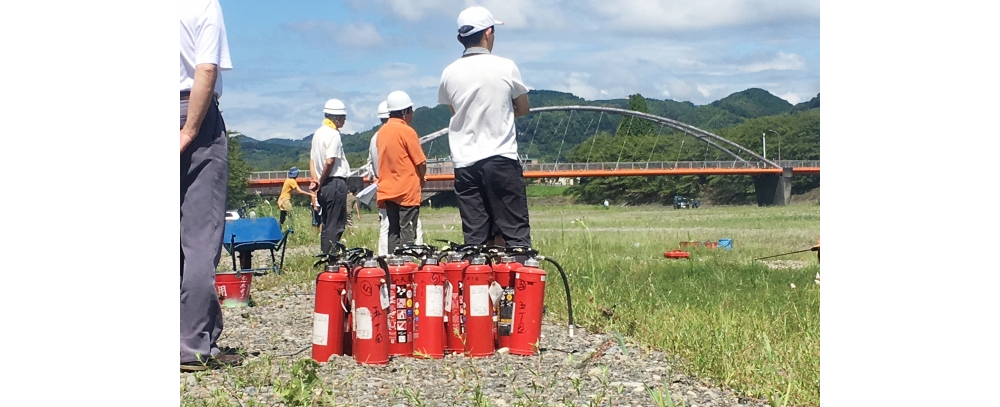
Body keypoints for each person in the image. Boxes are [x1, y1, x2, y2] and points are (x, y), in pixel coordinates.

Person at [180, 0, 242, 371]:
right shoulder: (202, 4)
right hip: (194, 113)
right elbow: (206, 67)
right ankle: (191, 345)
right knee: (200, 236)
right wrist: (189, 130)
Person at [438, 6, 532, 248]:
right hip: (501, 159)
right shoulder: (506, 67)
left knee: (476, 239)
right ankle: (517, 283)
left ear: (460, 38)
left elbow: (455, 112)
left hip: (465, 165)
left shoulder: (448, 74)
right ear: (489, 33)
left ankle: (478, 284)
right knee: (515, 235)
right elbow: (523, 108)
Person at [367, 101, 424, 256]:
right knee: (407, 228)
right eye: (411, 110)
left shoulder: (380, 134)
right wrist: (422, 178)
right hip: (406, 190)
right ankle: (407, 264)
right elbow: (420, 161)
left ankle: (393, 263)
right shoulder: (407, 131)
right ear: (404, 111)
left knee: (393, 229)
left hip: (387, 189)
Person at [309, 99, 352, 254]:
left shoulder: (317, 134)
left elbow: (312, 161)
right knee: (336, 223)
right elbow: (330, 161)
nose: (344, 120)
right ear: (336, 118)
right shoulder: (334, 134)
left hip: (324, 184)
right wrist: (320, 180)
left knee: (327, 221)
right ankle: (331, 256)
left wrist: (316, 181)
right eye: (343, 117)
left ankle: (326, 254)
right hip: (334, 182)